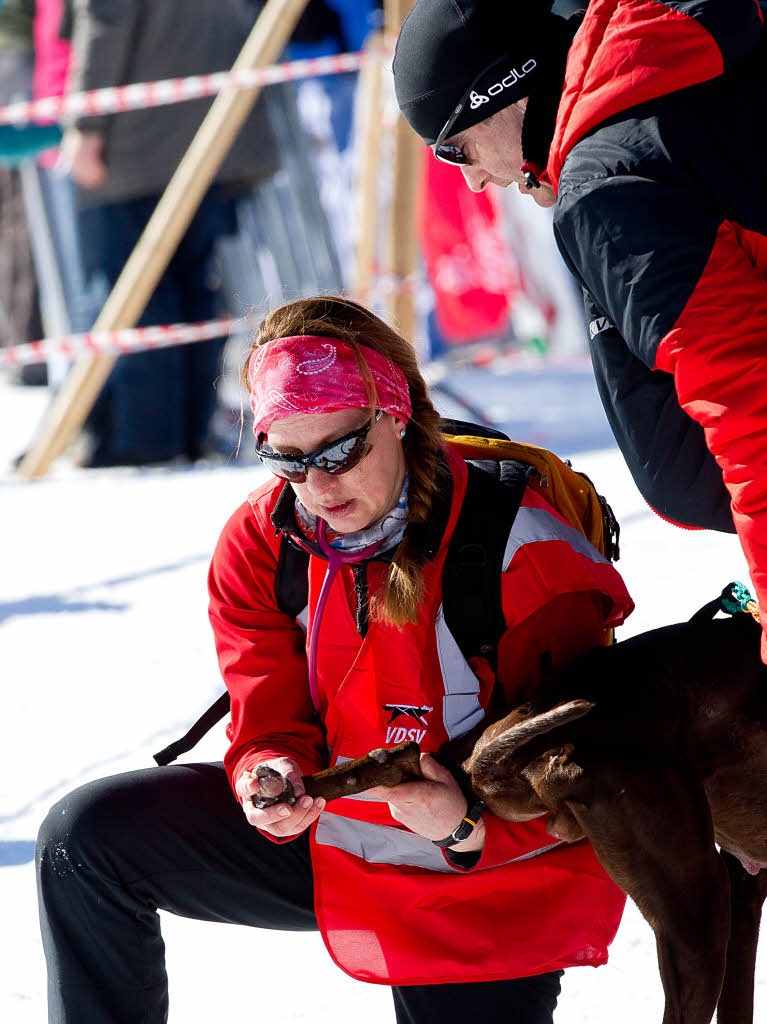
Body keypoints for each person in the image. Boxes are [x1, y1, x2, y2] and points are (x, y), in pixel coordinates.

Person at [36, 294, 634, 1023]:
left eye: (340, 451)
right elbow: (267, 712)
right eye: (286, 460)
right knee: (88, 839)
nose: (319, 487)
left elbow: (595, 774)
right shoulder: (265, 540)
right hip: (340, 833)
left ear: (399, 416)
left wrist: (463, 820)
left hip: (484, 872)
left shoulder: (521, 548)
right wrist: (269, 769)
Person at [392, 0, 767, 658]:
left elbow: (749, 406)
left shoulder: (614, 182)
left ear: (506, 91)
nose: (475, 182)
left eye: (456, 149)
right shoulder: (674, 81)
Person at [59, 0, 279, 466]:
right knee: (193, 292)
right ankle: (190, 430)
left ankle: (146, 437)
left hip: (138, 147)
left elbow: (104, 24)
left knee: (137, 298)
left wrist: (85, 127)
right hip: (212, 136)